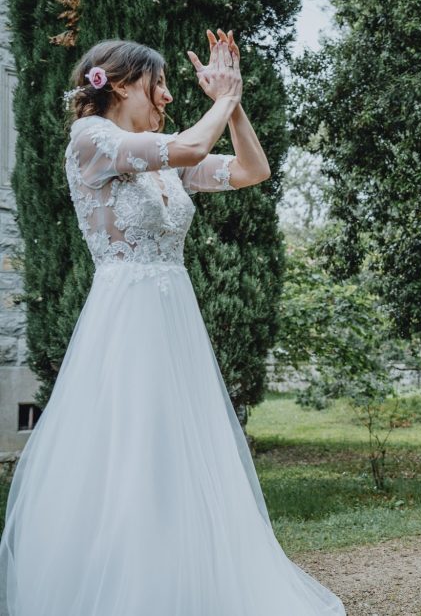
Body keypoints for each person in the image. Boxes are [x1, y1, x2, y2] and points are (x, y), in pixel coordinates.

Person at [0, 35, 346, 615]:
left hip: (172, 316)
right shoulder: (93, 139)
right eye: (157, 84)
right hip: (126, 316)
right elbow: (188, 145)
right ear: (119, 83)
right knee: (130, 448)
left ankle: (179, 584)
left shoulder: (160, 160)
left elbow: (250, 169)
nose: (166, 96)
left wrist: (233, 105)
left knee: (176, 450)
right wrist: (221, 97)